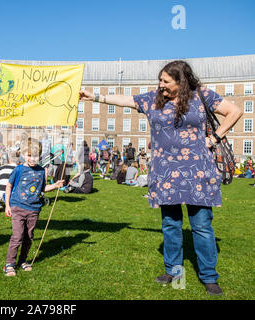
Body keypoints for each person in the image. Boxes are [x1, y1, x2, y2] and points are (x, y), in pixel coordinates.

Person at [80, 60, 242, 296]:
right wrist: (93, 96)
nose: (161, 85)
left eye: (166, 81)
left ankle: (208, 276)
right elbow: (125, 100)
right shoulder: (153, 99)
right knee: (170, 224)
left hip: (198, 171)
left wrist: (214, 138)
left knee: (202, 226)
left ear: (181, 81)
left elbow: (234, 111)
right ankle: (174, 270)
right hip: (165, 171)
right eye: (160, 80)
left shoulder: (202, 95)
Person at [3, 138, 64, 276]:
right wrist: (7, 204)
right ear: (24, 154)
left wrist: (55, 186)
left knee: (28, 237)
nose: (32, 158)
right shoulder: (19, 169)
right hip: (18, 207)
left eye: (36, 156)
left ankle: (22, 261)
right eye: (29, 155)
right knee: (17, 236)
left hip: (34, 209)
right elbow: (9, 186)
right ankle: (9, 264)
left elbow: (42, 188)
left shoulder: (42, 171)